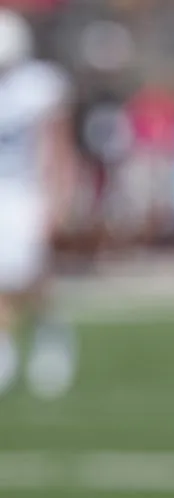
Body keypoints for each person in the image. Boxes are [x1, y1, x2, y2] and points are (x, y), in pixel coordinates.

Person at [0, 9, 79, 399]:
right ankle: (6, 348)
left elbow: (58, 148)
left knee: (30, 276)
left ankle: (51, 333)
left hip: (28, 191)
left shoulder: (38, 86)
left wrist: (58, 198)